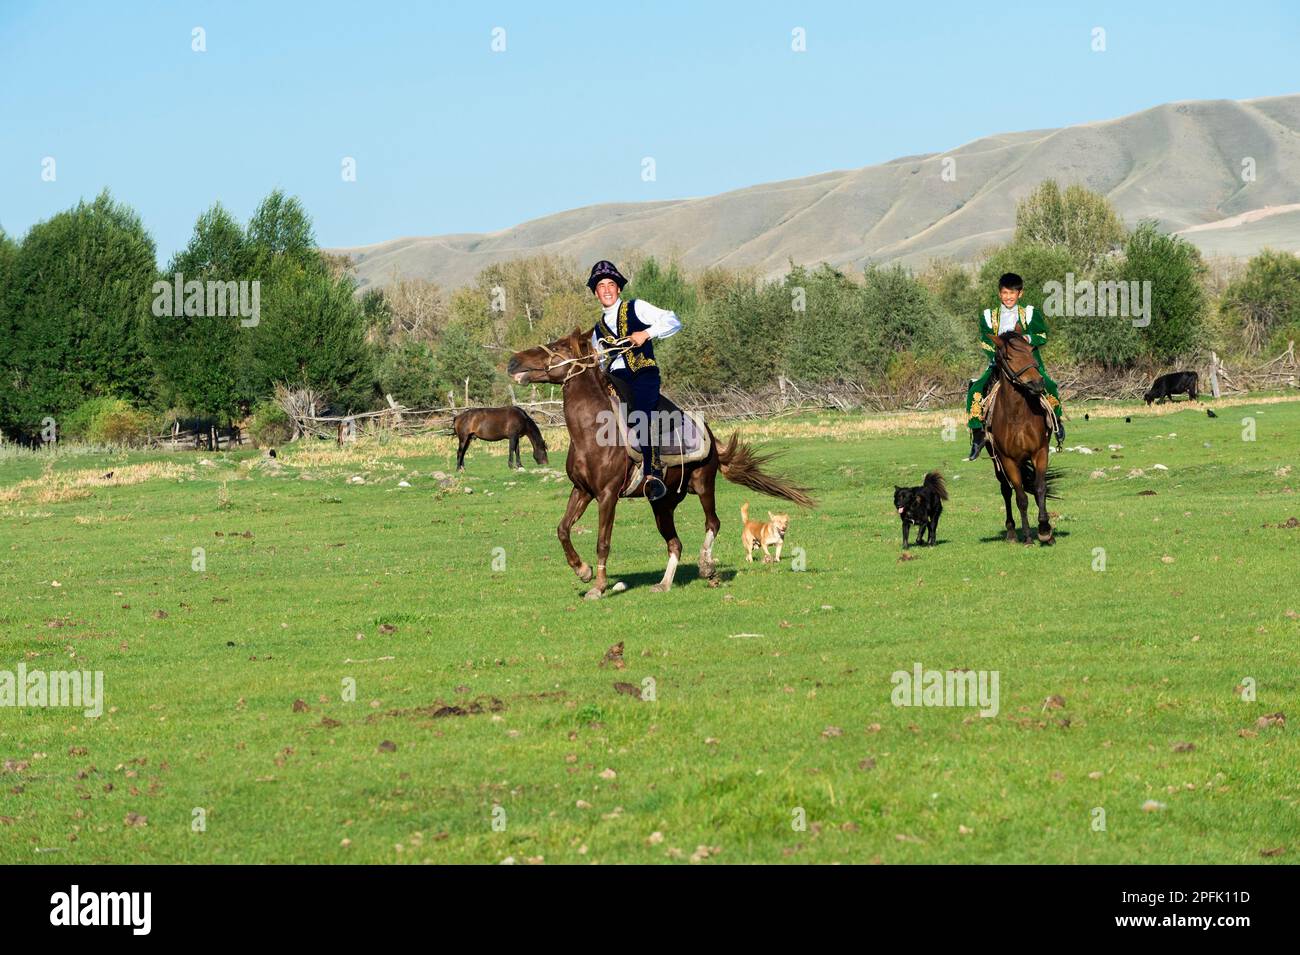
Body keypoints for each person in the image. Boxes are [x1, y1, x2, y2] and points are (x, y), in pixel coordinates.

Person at [586, 260, 682, 501]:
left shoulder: (636, 308)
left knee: (641, 413)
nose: (606, 289)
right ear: (596, 293)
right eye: (601, 286)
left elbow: (672, 320)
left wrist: (646, 333)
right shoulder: (597, 330)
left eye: (611, 284)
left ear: (618, 289)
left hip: (643, 374)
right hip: (615, 379)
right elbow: (599, 363)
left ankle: (653, 474)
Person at [965, 272, 1064, 460]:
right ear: (999, 294)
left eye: (1012, 293)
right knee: (975, 389)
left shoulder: (1029, 313)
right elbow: (985, 342)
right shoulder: (988, 316)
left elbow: (1042, 335)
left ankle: (1057, 422)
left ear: (1020, 294)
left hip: (1026, 363)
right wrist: (997, 356)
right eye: (1005, 293)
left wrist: (1027, 338)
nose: (1008, 297)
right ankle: (978, 435)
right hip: (999, 362)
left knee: (1049, 384)